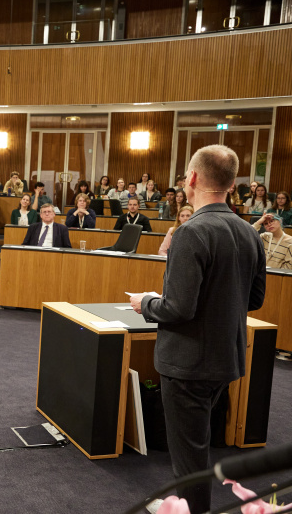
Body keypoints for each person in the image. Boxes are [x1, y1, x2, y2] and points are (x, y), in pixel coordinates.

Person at [131, 144, 265, 514]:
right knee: (199, 444)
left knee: (189, 457)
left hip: (188, 363)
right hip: (226, 357)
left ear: (191, 178)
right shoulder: (248, 232)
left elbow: (177, 308)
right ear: (232, 183)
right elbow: (253, 300)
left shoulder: (191, 232)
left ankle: (191, 510)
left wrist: (146, 303)